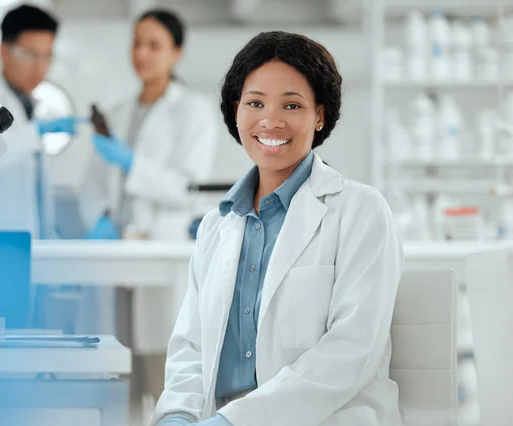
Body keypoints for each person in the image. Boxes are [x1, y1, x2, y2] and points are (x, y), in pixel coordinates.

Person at [152, 31, 404, 426]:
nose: (271, 121)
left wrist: (235, 420)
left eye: (292, 104)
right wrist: (179, 415)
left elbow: (351, 350)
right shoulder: (217, 224)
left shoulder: (360, 211)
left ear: (320, 115)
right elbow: (191, 346)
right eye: (255, 103)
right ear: (236, 111)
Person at [77, 7, 219, 411]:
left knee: (165, 383)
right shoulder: (118, 112)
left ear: (177, 52)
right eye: (137, 43)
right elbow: (91, 185)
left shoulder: (193, 112)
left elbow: (187, 187)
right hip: (114, 260)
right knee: (115, 383)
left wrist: (132, 163)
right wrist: (100, 216)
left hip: (160, 256)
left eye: (154, 45)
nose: (142, 52)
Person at [0, 4, 83, 238]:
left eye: (47, 56)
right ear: (5, 51)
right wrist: (34, 133)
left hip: (27, 242)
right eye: (30, 54)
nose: (40, 66)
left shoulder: (32, 108)